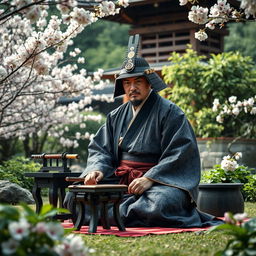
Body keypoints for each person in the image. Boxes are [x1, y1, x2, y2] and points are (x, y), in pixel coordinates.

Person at [64, 35, 222, 227]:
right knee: (74, 196)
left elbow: (180, 153)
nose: (132, 88)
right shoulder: (116, 115)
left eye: (138, 81)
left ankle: (110, 214)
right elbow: (100, 150)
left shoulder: (171, 113)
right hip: (121, 179)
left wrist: (150, 178)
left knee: (161, 203)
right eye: (127, 83)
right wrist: (96, 170)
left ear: (150, 82)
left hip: (158, 183)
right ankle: (125, 214)